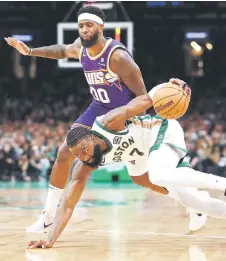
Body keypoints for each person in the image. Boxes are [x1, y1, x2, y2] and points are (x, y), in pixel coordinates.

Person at [28, 80, 226, 249]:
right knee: (154, 183)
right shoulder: (85, 164)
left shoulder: (109, 122)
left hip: (161, 129)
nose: (84, 157)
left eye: (84, 150)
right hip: (142, 152)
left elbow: (147, 100)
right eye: (78, 155)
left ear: (91, 136)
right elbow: (68, 204)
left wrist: (170, 85)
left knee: (156, 175)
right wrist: (50, 240)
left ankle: (221, 183)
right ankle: (197, 204)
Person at [5, 6, 149, 232]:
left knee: (145, 177)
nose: (84, 29)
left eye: (89, 25)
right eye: (81, 25)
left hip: (122, 113)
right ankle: (48, 216)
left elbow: (143, 96)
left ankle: (191, 203)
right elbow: (62, 50)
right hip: (97, 109)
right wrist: (30, 51)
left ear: (101, 27)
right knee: (64, 152)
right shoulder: (80, 48)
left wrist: (138, 123)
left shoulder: (119, 57)